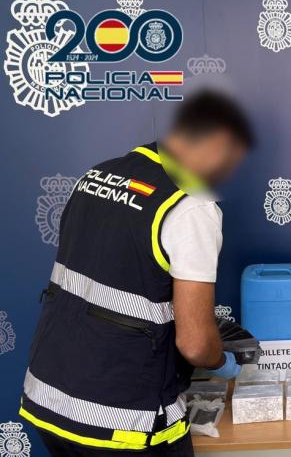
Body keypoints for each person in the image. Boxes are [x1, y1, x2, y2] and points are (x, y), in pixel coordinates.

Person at [20, 90, 255, 456]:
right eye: (231, 159)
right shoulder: (191, 206)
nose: (227, 172)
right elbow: (194, 344)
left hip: (48, 397)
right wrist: (222, 362)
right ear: (217, 144)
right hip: (122, 421)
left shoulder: (97, 175)